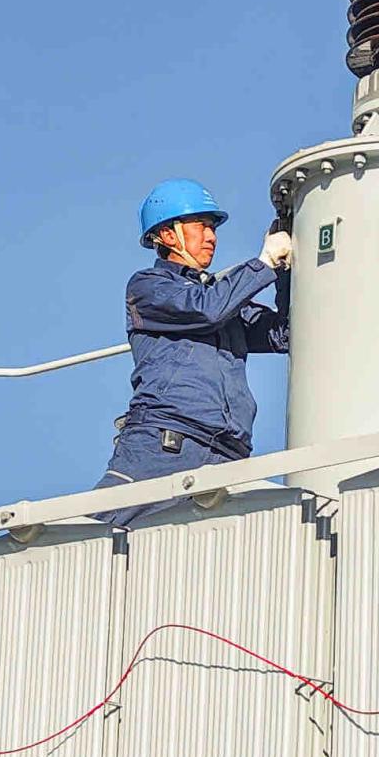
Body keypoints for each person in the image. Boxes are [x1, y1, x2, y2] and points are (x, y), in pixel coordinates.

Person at [94, 179, 293, 529]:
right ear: (168, 235)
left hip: (227, 455)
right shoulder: (149, 287)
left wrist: (286, 274)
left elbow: (284, 334)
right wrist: (263, 264)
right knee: (92, 539)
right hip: (165, 445)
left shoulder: (221, 297)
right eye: (201, 226)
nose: (212, 236)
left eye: (213, 228)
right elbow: (206, 310)